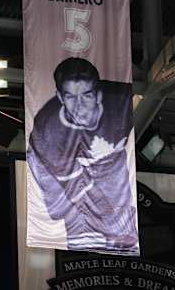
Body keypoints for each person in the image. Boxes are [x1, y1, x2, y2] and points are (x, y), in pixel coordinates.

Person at [27, 57, 138, 254]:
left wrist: (120, 230)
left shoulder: (121, 101)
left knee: (121, 222)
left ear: (98, 95)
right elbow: (80, 192)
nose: (80, 106)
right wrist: (111, 227)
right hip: (47, 163)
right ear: (61, 98)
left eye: (86, 96)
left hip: (105, 157)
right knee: (70, 211)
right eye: (70, 97)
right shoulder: (49, 132)